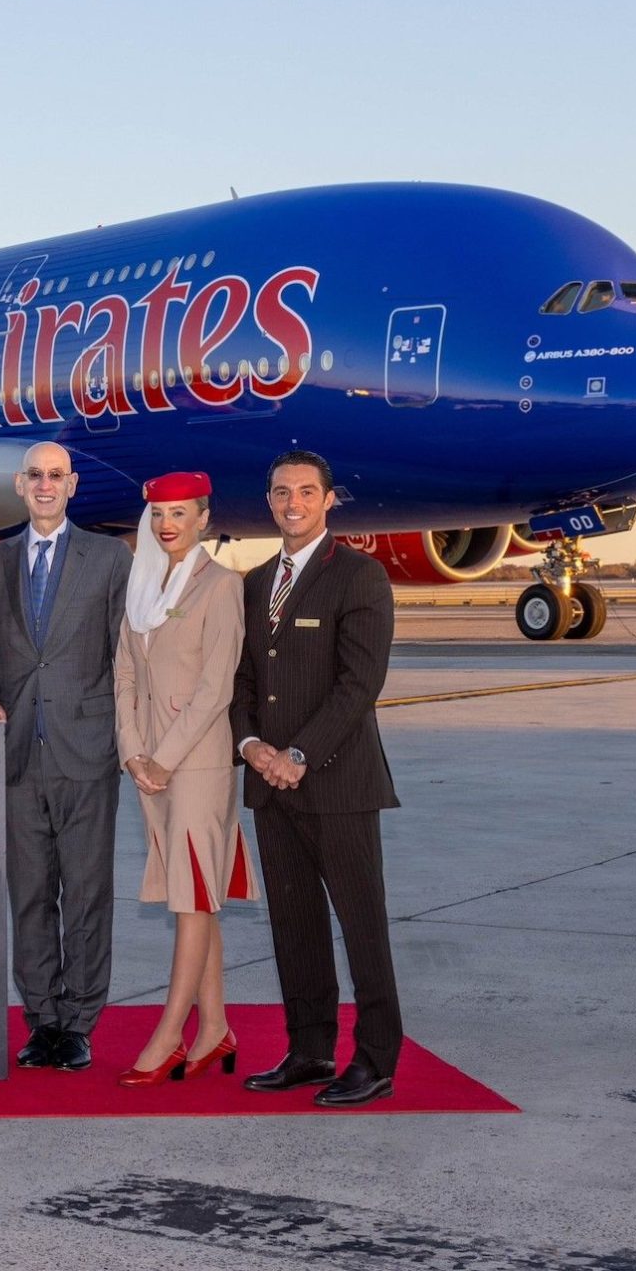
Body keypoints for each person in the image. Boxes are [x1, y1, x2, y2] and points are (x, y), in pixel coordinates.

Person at [230, 448, 404, 1109]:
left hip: (338, 784)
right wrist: (251, 745)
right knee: (294, 925)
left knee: (363, 927)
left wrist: (298, 755)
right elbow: (242, 681)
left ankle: (377, 1057)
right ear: (269, 500)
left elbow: (359, 685)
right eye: (281, 492)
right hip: (271, 785)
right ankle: (308, 1048)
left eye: (306, 491)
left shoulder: (359, 576)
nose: (292, 503)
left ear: (329, 499)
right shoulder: (252, 583)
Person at [0, 441, 128, 1071]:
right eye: (35, 475)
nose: (45, 484)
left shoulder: (110, 558)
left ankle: (80, 1021)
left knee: (86, 892)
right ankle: (41, 1019)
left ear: (73, 485)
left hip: (86, 750)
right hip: (16, 754)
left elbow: (124, 654)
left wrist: (124, 734)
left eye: (56, 475)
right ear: (18, 484)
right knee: (30, 894)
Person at [111, 471, 257, 1087]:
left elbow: (216, 687)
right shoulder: (142, 583)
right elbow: (122, 672)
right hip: (148, 766)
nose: (168, 523)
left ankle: (171, 1033)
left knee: (193, 898)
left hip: (193, 763)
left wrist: (163, 758)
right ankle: (217, 1028)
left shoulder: (222, 586)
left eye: (180, 513)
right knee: (195, 900)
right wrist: (132, 751)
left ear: (203, 518)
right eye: (159, 513)